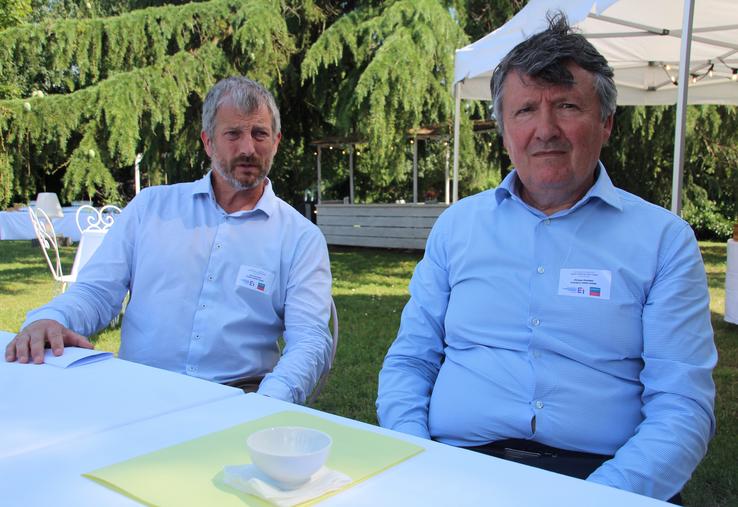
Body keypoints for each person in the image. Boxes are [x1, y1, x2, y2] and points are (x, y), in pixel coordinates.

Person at [376, 14, 716, 503]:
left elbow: (682, 406)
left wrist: (599, 498)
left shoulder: (663, 241)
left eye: (567, 106)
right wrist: (416, 459)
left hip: (602, 478)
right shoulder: (458, 228)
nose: (545, 129)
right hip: (456, 466)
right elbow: (410, 360)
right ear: (502, 128)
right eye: (525, 110)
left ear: (606, 123)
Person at [5, 76, 333, 404]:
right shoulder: (151, 208)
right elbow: (97, 293)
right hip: (138, 391)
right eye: (233, 134)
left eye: (259, 134)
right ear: (208, 142)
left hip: (239, 398)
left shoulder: (300, 238)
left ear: (276, 142)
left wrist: (267, 403)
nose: (248, 148)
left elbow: (310, 339)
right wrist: (51, 319)